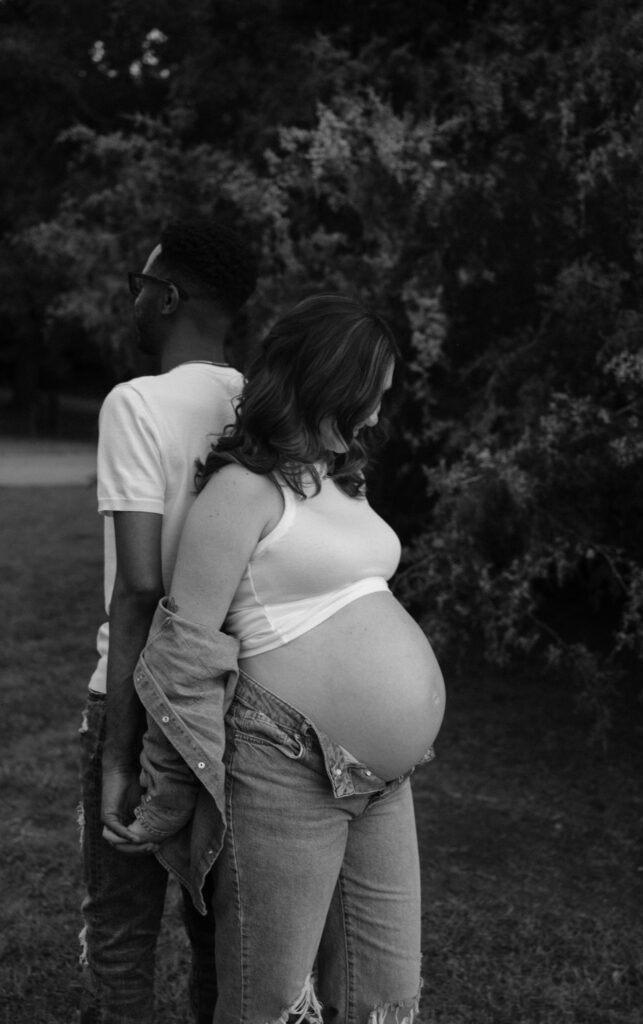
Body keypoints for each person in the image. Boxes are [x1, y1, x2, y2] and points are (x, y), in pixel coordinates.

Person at [117, 294, 446, 1023]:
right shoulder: (242, 490)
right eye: (370, 398)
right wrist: (166, 790)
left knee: (384, 997)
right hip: (287, 767)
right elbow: (186, 649)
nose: (375, 417)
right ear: (327, 382)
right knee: (268, 1002)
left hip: (384, 782)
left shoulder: (340, 482)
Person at [79, 215, 258, 1024]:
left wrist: (118, 753)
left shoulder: (136, 404)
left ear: (169, 296)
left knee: (122, 925)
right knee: (214, 924)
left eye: (139, 284)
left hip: (142, 692)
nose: (134, 298)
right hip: (230, 697)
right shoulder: (261, 403)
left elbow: (140, 588)